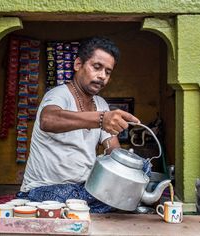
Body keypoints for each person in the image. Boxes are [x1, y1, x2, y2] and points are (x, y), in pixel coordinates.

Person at [17, 36, 140, 213]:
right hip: (42, 191)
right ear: (77, 65)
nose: (102, 76)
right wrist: (101, 119)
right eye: (96, 67)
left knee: (134, 183)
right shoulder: (58, 95)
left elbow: (113, 151)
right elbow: (48, 119)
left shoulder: (101, 104)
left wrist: (131, 170)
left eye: (108, 72)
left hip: (81, 190)